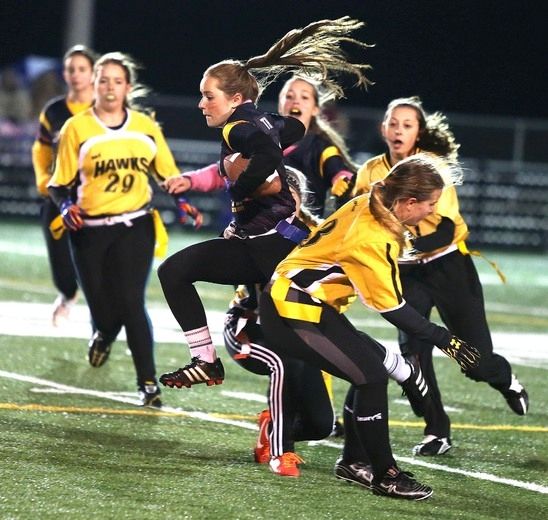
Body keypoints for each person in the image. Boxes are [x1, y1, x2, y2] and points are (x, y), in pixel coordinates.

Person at [157, 17, 372, 393]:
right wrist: (268, 140)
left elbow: (269, 149)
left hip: (268, 249)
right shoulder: (255, 119)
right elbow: (294, 130)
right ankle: (382, 378)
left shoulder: (235, 127)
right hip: (277, 242)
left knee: (175, 274)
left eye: (209, 96)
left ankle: (207, 361)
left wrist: (246, 186)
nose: (201, 104)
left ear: (236, 99)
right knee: (303, 338)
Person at [259, 154, 481, 499]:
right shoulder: (374, 237)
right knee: (372, 377)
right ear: (407, 202)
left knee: (369, 371)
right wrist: (445, 339)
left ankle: (353, 461)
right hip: (291, 307)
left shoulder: (371, 201)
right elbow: (394, 309)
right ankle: (385, 474)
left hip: (306, 302)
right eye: (430, 204)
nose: (432, 211)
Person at [353, 96, 529, 456]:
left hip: (448, 266)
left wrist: (403, 249)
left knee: (474, 360)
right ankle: (437, 431)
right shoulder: (370, 170)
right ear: (382, 128)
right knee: (413, 355)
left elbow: (446, 230)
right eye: (394, 122)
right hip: (407, 276)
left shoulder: (432, 167)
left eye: (407, 124)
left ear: (419, 131)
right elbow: (359, 218)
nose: (399, 129)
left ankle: (504, 378)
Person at [47, 52, 199, 407]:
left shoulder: (145, 126)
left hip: (135, 225)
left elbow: (167, 174)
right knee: (103, 309)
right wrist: (66, 206)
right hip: (89, 230)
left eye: (117, 81)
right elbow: (58, 184)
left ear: (128, 87)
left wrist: (182, 201)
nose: (110, 87)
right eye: (104, 80)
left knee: (131, 301)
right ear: (94, 85)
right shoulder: (77, 128)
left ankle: (147, 382)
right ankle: (102, 333)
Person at [32, 45, 97, 326]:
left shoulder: (105, 108)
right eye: (71, 69)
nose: (76, 75)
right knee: (58, 255)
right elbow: (41, 148)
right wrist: (43, 180)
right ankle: (68, 294)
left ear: (94, 73)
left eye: (82, 69)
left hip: (96, 195)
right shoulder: (54, 110)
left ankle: (107, 315)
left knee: (99, 257)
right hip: (60, 193)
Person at [278, 75, 362, 217]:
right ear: (280, 106)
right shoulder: (263, 141)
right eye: (289, 96)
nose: (296, 101)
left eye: (304, 97)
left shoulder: (321, 146)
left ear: (315, 109)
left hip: (303, 234)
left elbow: (337, 168)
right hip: (259, 229)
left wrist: (342, 177)